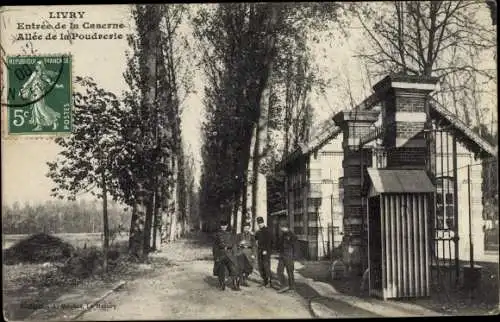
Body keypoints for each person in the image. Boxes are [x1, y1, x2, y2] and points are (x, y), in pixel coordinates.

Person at [19, 60, 60, 131]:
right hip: (33, 94)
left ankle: (54, 121)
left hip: (40, 94)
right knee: (36, 110)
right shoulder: (34, 74)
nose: (37, 67)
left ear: (41, 66)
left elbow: (50, 82)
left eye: (38, 65)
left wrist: (58, 86)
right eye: (36, 65)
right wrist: (22, 88)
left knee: (41, 109)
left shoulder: (43, 75)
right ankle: (39, 126)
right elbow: (29, 82)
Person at [212, 219, 240, 291]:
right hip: (221, 254)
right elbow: (215, 247)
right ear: (220, 226)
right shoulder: (217, 235)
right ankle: (222, 285)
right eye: (222, 225)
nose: (223, 227)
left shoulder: (230, 234)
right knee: (221, 270)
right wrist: (216, 256)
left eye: (225, 225)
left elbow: (234, 245)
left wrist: (235, 254)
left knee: (234, 268)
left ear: (227, 226)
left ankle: (234, 285)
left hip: (230, 253)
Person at [276, 222, 298, 293]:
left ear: (286, 227)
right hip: (282, 256)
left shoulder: (292, 235)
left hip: (289, 256)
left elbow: (295, 247)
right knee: (279, 270)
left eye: (282, 227)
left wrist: (294, 257)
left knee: (290, 272)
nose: (281, 229)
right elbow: (280, 245)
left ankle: (292, 287)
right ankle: (284, 285)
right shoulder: (282, 235)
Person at [235, 221, 256, 287]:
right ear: (243, 228)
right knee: (241, 267)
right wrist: (240, 243)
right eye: (245, 228)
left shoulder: (252, 236)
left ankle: (245, 278)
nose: (246, 229)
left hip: (249, 253)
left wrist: (253, 254)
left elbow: (254, 246)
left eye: (247, 228)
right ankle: (241, 280)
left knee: (249, 267)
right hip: (241, 252)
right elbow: (235, 244)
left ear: (249, 228)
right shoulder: (239, 235)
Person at [255, 216, 273, 288]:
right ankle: (264, 281)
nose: (260, 224)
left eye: (261, 223)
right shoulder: (258, 232)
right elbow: (256, 239)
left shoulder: (267, 231)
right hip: (259, 251)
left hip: (266, 252)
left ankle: (269, 282)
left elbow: (269, 242)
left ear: (263, 223)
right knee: (260, 266)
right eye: (258, 223)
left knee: (266, 266)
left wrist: (266, 250)